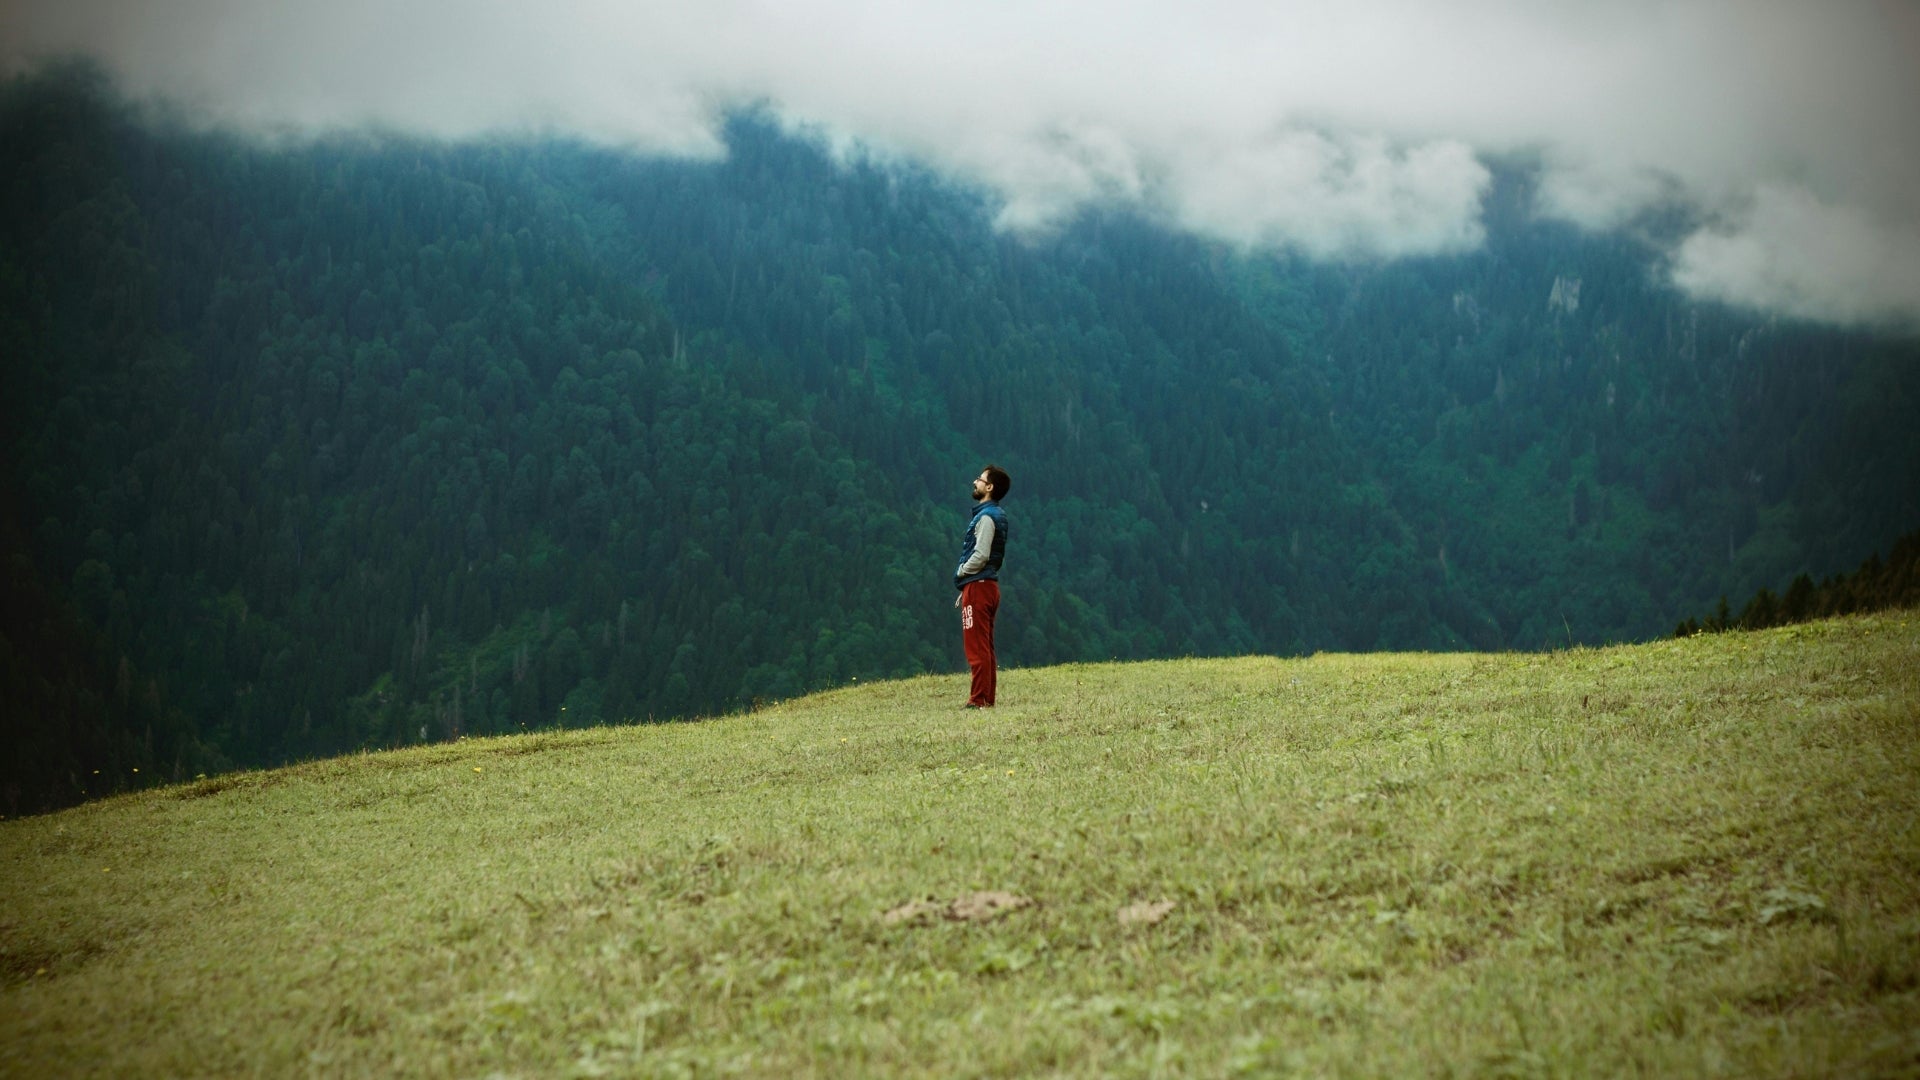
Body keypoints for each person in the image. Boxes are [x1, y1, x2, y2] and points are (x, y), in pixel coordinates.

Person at [954, 464, 1010, 708]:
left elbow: (981, 556)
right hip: (984, 586)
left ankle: (978, 700)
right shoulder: (995, 515)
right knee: (985, 646)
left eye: (980, 479)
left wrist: (962, 572)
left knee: (976, 648)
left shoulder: (986, 517)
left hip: (979, 586)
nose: (974, 482)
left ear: (989, 487)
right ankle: (986, 698)